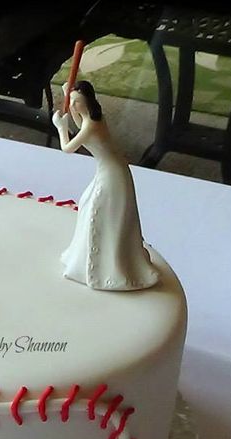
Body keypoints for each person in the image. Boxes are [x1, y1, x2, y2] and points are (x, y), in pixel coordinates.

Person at [52, 80, 159, 291]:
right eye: (72, 102)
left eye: (76, 102)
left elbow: (67, 148)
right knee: (87, 205)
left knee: (98, 213)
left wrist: (60, 128)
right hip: (111, 171)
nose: (73, 106)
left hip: (113, 175)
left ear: (88, 103)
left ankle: (108, 269)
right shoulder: (92, 120)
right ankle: (85, 260)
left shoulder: (92, 125)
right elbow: (78, 120)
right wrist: (67, 92)